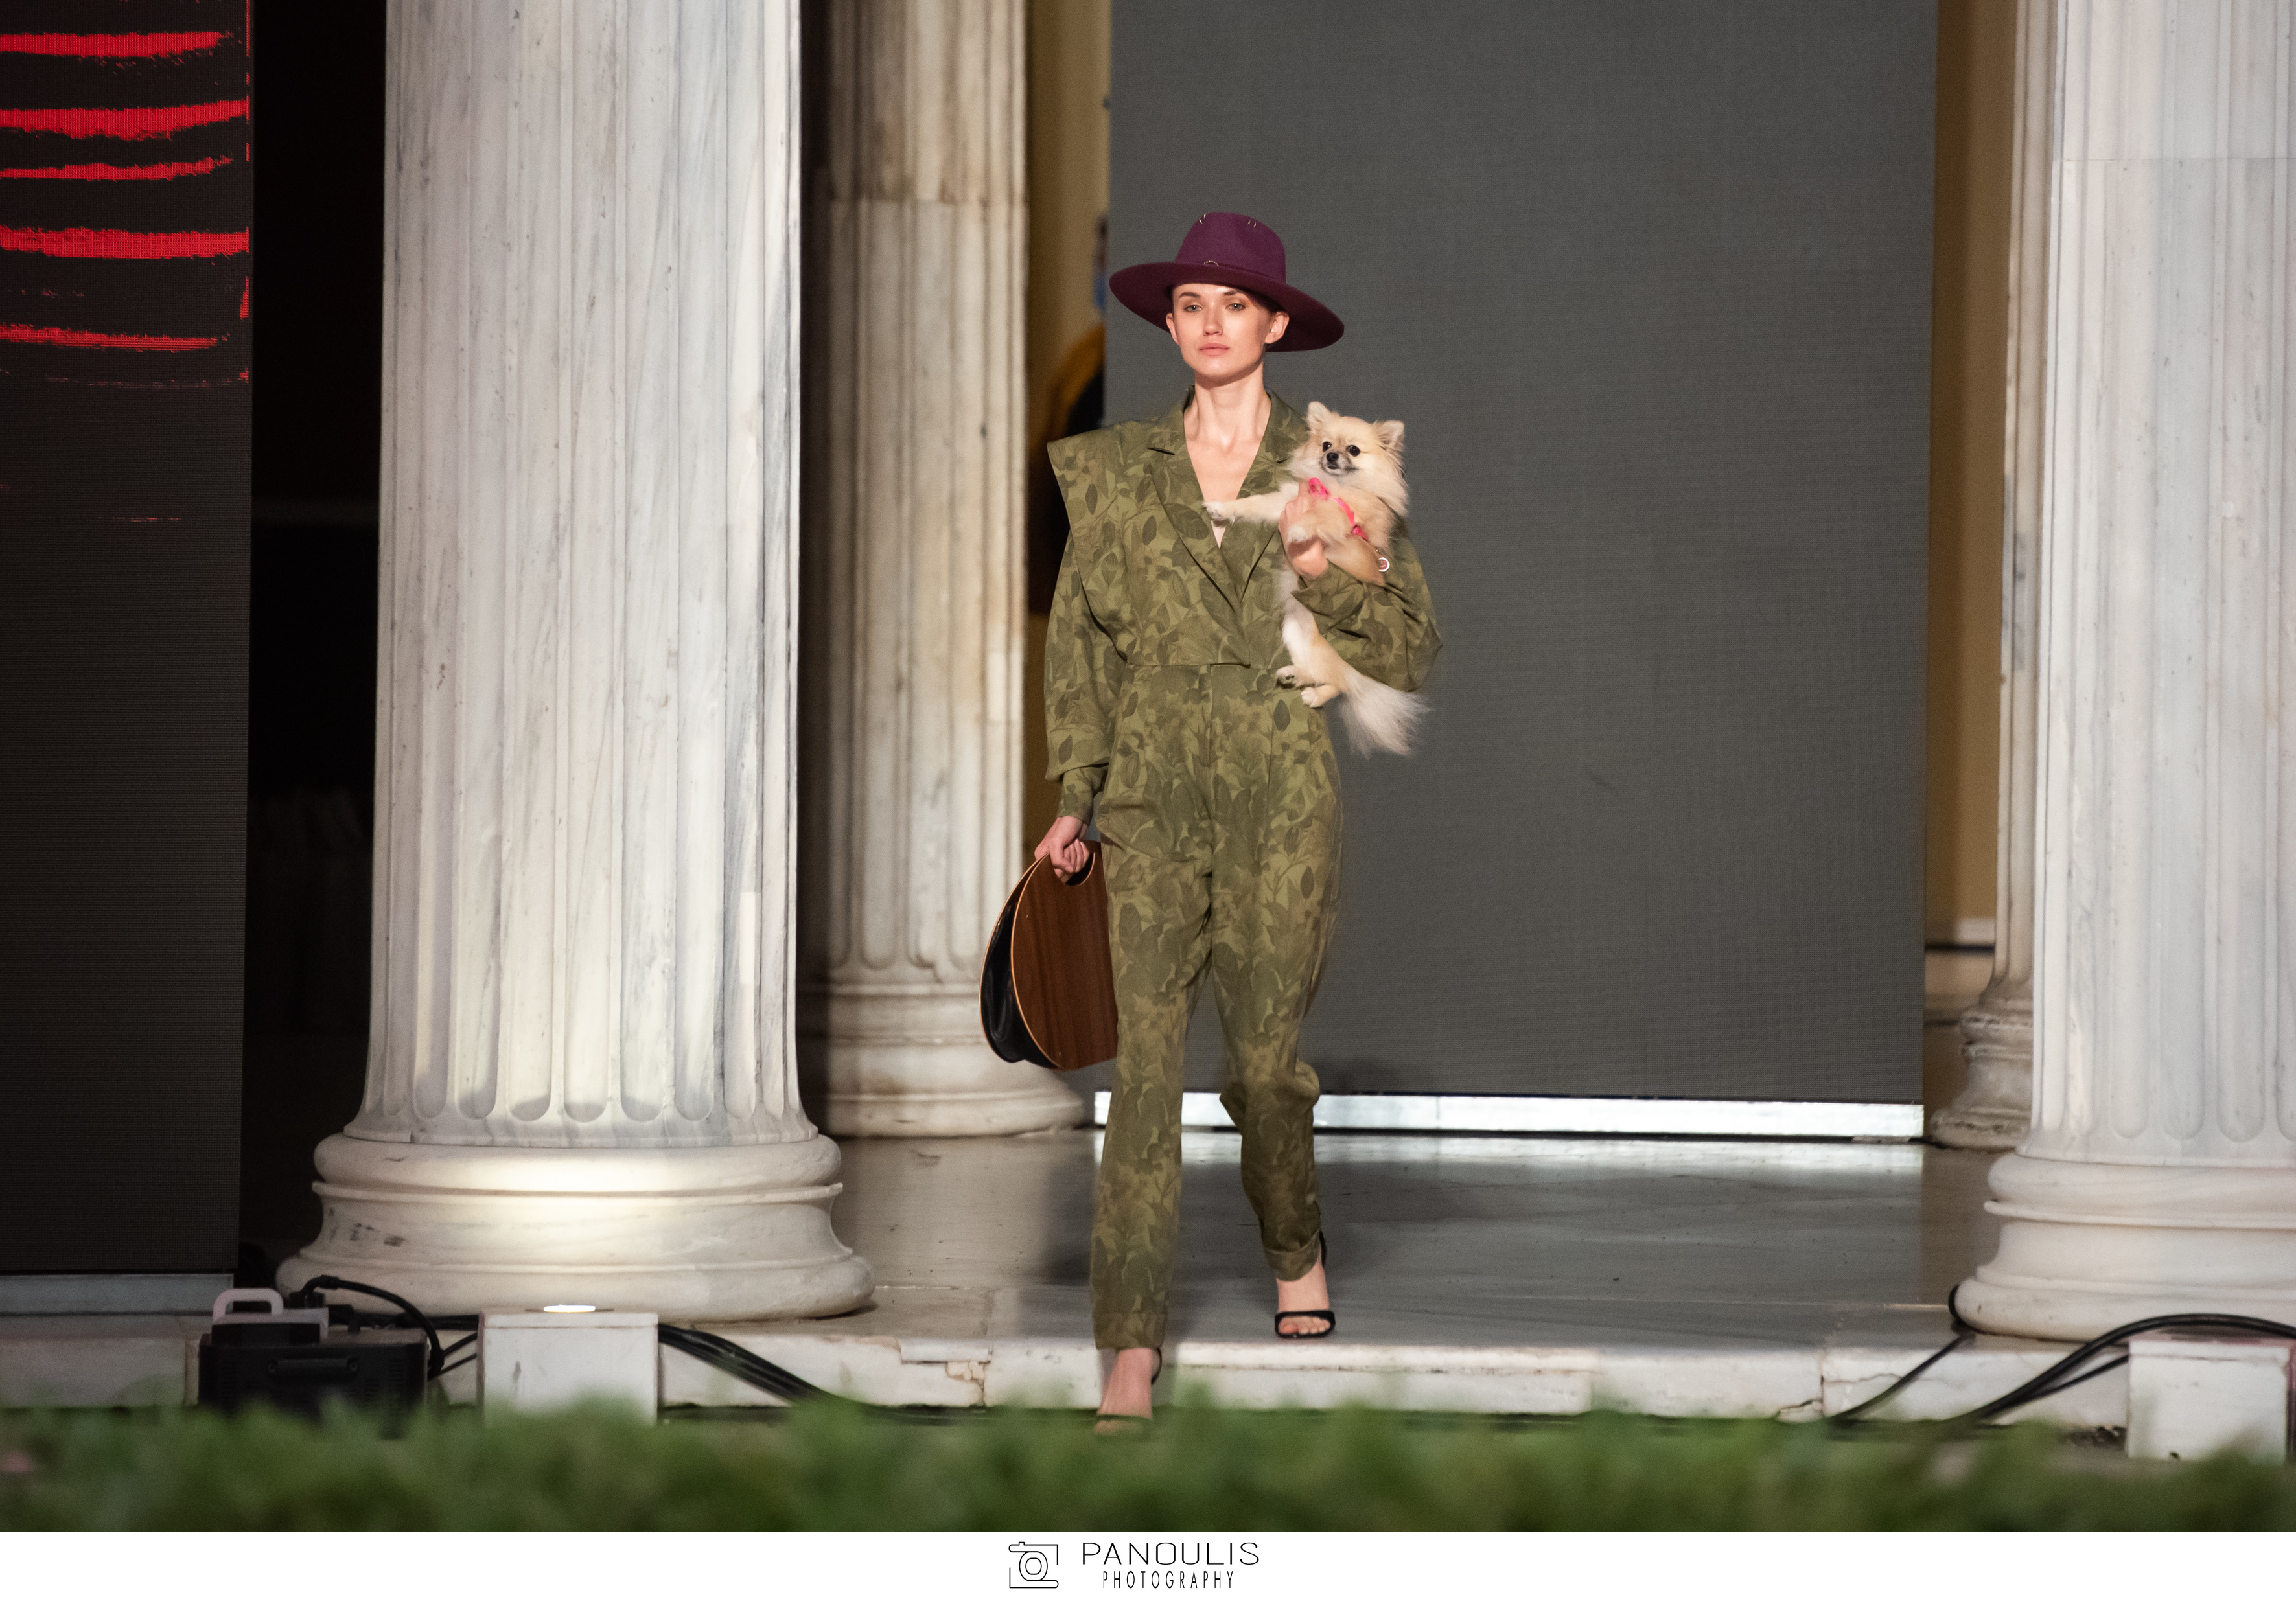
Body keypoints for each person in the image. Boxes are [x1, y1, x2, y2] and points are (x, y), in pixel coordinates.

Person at [1038, 213, 1441, 1430]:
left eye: (1234, 304)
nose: (1211, 324)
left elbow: (1412, 645)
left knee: (1264, 1067)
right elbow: (1081, 648)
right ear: (1170, 325)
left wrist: (1332, 579)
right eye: (1191, 304)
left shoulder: (1328, 467)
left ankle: (1294, 1239)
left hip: (1279, 787)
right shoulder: (1115, 473)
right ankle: (1130, 1343)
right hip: (1150, 792)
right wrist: (1075, 796)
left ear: (1273, 324)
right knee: (1143, 1077)